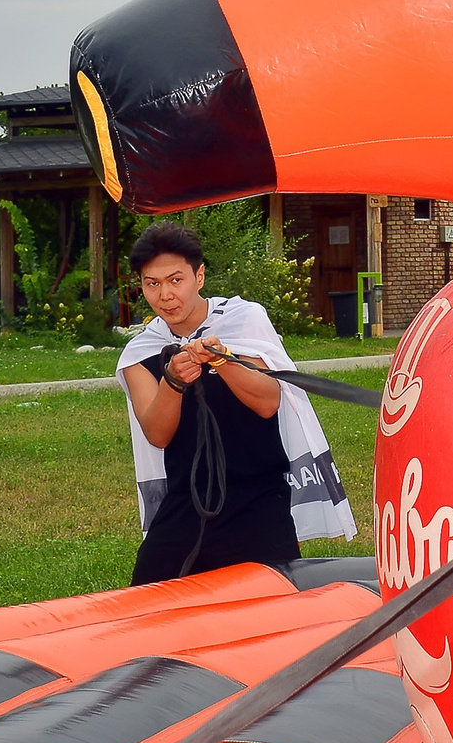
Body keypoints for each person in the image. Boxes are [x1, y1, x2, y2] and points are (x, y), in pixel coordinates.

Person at [119, 223, 352, 585]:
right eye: (152, 284)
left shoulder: (242, 321)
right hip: (186, 503)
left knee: (271, 617)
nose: (165, 295)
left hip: (258, 500)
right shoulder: (141, 352)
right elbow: (158, 433)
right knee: (144, 611)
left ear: (199, 276)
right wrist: (174, 380)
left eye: (175, 280)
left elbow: (267, 402)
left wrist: (222, 359)